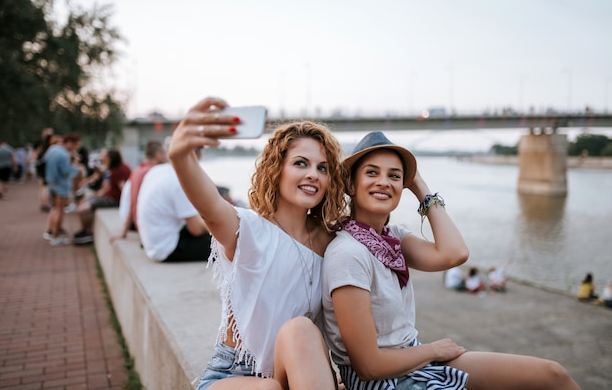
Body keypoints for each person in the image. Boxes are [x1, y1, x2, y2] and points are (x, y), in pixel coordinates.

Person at [322, 131, 580, 390]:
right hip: (384, 380)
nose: (383, 182)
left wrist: (420, 185)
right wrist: (433, 350)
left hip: (413, 359)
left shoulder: (392, 238)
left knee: (552, 375)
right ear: (351, 185)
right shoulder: (349, 253)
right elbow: (369, 367)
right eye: (372, 173)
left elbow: (454, 253)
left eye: (395, 176)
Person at [168, 97, 347, 389]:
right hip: (231, 375)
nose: (313, 174)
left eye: (323, 168)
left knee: (301, 330)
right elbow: (210, 206)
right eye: (301, 163)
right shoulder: (249, 229)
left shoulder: (330, 242)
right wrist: (180, 156)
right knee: (270, 388)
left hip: (289, 369)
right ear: (277, 170)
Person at [134, 151, 212, 262]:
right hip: (167, 249)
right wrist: (216, 224)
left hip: (151, 241)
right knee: (223, 243)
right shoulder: (180, 181)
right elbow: (196, 229)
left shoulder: (157, 171)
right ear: (197, 156)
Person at [110, 140, 167, 242]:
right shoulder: (149, 173)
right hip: (135, 222)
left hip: (131, 219)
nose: (168, 157)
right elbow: (135, 203)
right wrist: (124, 233)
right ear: (159, 155)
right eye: (165, 153)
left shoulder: (139, 169)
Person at [73, 149, 131, 244]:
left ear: (110, 158)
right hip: (110, 197)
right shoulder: (117, 168)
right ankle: (85, 231)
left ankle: (87, 232)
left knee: (82, 209)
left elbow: (123, 189)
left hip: (114, 200)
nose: (102, 158)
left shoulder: (118, 171)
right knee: (83, 204)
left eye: (105, 157)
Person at [42, 133, 83, 246]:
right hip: (61, 185)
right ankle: (56, 236)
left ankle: (51, 232)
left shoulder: (52, 149)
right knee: (60, 211)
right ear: (69, 143)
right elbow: (66, 172)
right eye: (75, 145)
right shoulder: (63, 154)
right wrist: (76, 167)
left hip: (51, 182)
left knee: (55, 209)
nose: (75, 148)